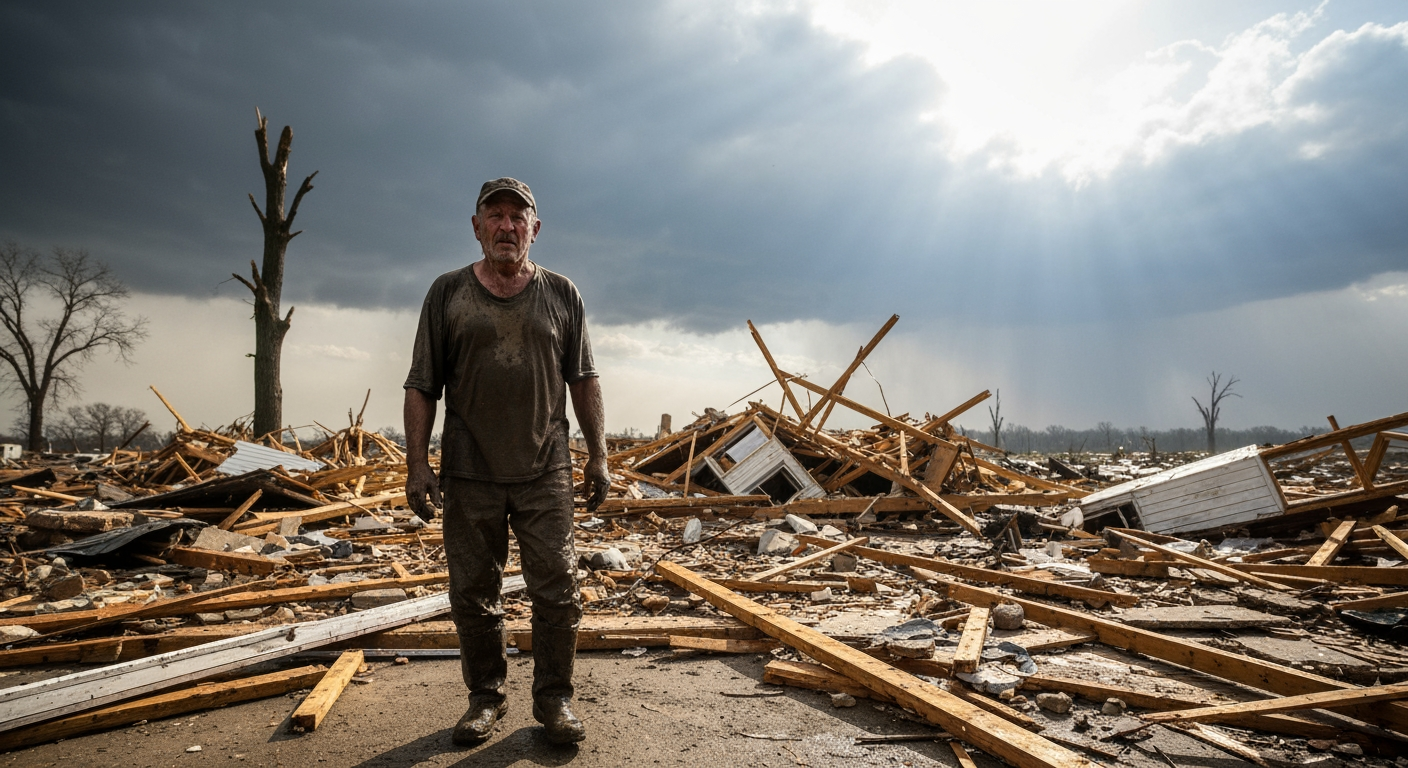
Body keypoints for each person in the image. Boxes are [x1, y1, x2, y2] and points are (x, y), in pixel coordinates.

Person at [403, 177, 609, 746]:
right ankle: (485, 698)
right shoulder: (447, 293)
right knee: (473, 590)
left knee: (559, 587)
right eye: (494, 216)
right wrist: (417, 465)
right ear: (476, 227)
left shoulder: (562, 294)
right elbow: (422, 385)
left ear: (535, 230)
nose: (506, 226)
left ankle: (555, 701)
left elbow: (584, 379)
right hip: (469, 470)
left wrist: (598, 455)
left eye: (518, 218)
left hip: (546, 469)